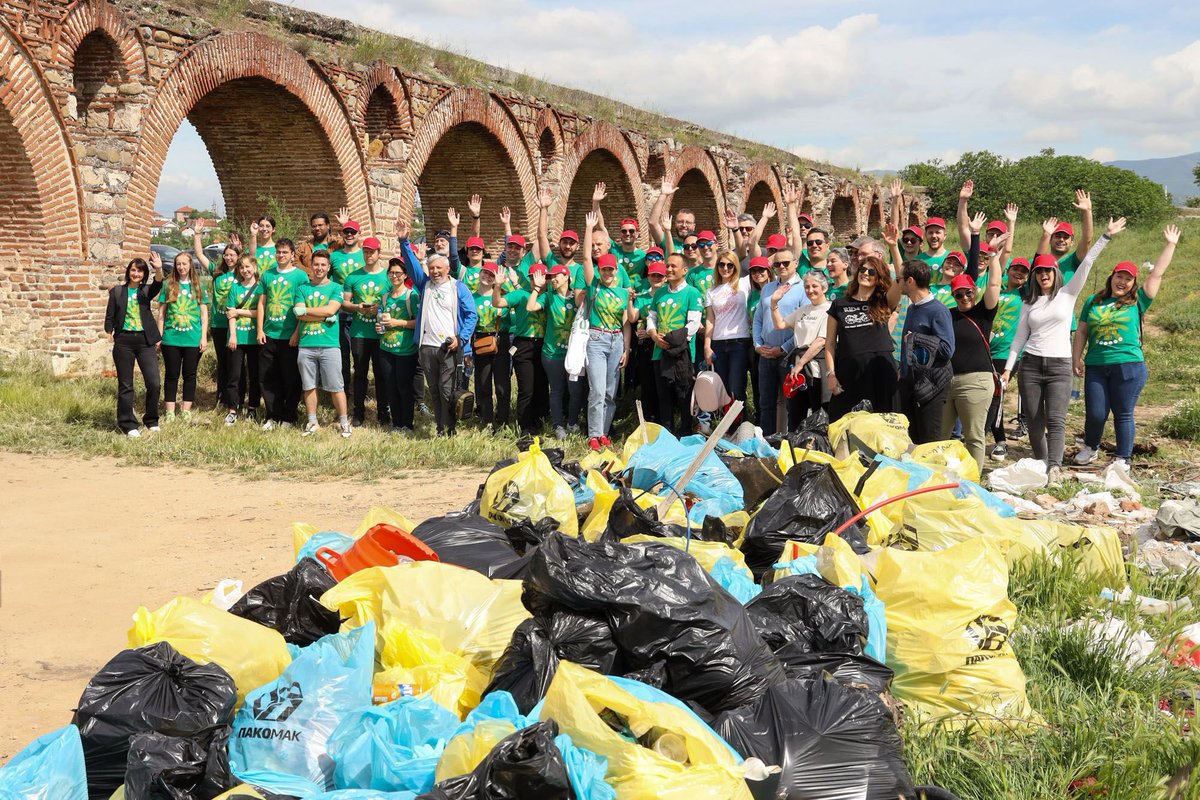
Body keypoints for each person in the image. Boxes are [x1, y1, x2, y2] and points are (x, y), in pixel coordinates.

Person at [1002, 215, 1126, 482]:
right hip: (1031, 365)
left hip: (1059, 365)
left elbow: (1088, 262)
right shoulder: (1029, 302)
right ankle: (1041, 463)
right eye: (1040, 272)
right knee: (1034, 420)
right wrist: (1008, 368)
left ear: (1056, 274)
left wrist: (1106, 236)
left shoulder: (1068, 293)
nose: (1044, 275)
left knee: (1056, 420)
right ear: (1035, 276)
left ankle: (1055, 467)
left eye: (1048, 271)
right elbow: (1019, 338)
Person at [1073, 225, 1179, 468]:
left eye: (1128, 278)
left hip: (1128, 365)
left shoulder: (1138, 300)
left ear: (1133, 283)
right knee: (1096, 413)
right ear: (1112, 277)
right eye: (1119, 276)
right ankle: (1091, 447)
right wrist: (1075, 358)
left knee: (1123, 413)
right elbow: (1082, 331)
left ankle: (1123, 457)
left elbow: (1158, 274)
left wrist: (1170, 244)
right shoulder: (1094, 301)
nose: (1122, 281)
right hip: (1097, 365)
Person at [398, 220, 478, 437]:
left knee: (446, 390)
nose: (434, 272)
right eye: (432, 268)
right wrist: (404, 241)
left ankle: (449, 428)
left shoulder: (458, 288)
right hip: (426, 347)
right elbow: (413, 265)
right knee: (433, 390)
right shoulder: (424, 285)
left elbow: (472, 315)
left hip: (449, 347)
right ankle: (441, 427)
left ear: (447, 269)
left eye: (438, 268)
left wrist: (460, 338)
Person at [943, 229, 1006, 469]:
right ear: (953, 296)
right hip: (948, 381)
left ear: (974, 292)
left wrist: (992, 254)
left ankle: (973, 483)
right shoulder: (948, 315)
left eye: (968, 292)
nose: (964, 298)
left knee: (973, 435)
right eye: (959, 295)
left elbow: (995, 282)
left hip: (976, 381)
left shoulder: (983, 312)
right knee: (940, 435)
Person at [825, 254, 903, 421]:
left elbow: (901, 277)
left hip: (881, 370)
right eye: (863, 269)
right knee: (844, 424)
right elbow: (830, 344)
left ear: (879, 278)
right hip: (849, 373)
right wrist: (831, 374)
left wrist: (894, 247)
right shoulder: (839, 304)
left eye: (872, 272)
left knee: (885, 424)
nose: (866, 273)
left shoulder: (884, 301)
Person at [581, 214, 634, 449]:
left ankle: (604, 432)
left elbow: (628, 321)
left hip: (616, 340)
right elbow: (585, 258)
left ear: (616, 270)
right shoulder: (595, 286)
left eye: (611, 270)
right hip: (597, 338)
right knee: (598, 390)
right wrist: (589, 229)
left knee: (611, 392)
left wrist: (627, 348)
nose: (608, 273)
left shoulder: (624, 292)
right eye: (604, 270)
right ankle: (593, 435)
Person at [290, 251, 351, 438]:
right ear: (311, 266)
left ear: (328, 267)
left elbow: (331, 308)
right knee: (308, 386)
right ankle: (312, 421)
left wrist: (306, 310)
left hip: (330, 345)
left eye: (323, 265)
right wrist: (323, 315)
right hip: (306, 344)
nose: (319, 268)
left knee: (336, 386)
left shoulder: (336, 287)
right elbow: (298, 315)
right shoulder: (302, 288)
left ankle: (344, 422)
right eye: (316, 264)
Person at [104, 253, 164, 436]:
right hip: (124, 342)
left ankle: (151, 420)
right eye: (133, 269)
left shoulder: (145, 291)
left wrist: (159, 268)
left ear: (144, 274)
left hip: (145, 341)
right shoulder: (117, 291)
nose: (136, 273)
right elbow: (110, 316)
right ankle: (128, 424)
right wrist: (109, 333)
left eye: (140, 271)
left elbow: (158, 283)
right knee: (126, 385)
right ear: (128, 271)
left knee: (154, 383)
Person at [896, 258, 955, 443]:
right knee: (911, 442)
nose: (898, 283)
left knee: (929, 442)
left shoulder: (938, 311)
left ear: (910, 281)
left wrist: (916, 339)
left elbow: (947, 350)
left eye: (900, 279)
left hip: (932, 387)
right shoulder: (913, 308)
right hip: (910, 384)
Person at [646, 252, 703, 435]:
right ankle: (667, 434)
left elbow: (693, 324)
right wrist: (654, 336)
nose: (668, 269)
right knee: (663, 397)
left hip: (682, 354)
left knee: (683, 396)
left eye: (673, 266)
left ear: (685, 270)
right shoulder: (660, 292)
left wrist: (673, 341)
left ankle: (685, 433)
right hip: (659, 352)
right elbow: (651, 318)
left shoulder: (692, 293)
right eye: (667, 266)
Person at [753, 249, 808, 436]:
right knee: (765, 403)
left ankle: (792, 442)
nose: (781, 267)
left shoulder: (803, 289)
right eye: (777, 264)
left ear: (796, 263)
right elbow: (758, 318)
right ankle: (767, 441)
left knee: (792, 403)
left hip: (790, 354)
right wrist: (757, 344)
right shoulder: (768, 288)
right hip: (766, 353)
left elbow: (805, 325)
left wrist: (783, 349)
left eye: (786, 263)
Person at [256, 238, 308, 430]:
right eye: (278, 252)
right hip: (269, 333)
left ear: (292, 255)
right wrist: (260, 329)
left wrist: (297, 333)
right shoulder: (267, 275)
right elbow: (261, 303)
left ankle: (289, 415)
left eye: (285, 252)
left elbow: (303, 308)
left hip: (290, 336)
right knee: (268, 377)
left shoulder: (300, 277)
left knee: (291, 378)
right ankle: (272, 414)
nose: (281, 255)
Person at [528, 263, 583, 438]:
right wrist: (537, 288)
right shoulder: (548, 297)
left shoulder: (577, 298)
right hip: (552, 354)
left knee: (575, 392)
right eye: (550, 277)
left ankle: (572, 422)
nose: (552, 279)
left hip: (574, 354)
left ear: (567, 276)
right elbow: (530, 307)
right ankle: (558, 425)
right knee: (557, 390)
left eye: (556, 276)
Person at [771, 269, 832, 425]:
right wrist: (774, 303)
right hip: (797, 368)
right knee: (796, 411)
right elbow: (780, 324)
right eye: (807, 287)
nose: (810, 290)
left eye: (814, 286)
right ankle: (794, 444)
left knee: (819, 410)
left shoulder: (830, 310)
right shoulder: (803, 310)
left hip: (816, 366)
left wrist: (800, 364)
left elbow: (820, 341)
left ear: (824, 288)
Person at [493, 261, 548, 434]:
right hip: (523, 344)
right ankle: (524, 425)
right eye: (532, 278)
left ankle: (540, 421)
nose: (536, 281)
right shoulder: (520, 294)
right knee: (526, 388)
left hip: (543, 345)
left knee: (541, 386)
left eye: (541, 278)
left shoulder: (550, 296)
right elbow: (498, 303)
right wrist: (498, 286)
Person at [342, 236, 391, 427]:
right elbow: (345, 303)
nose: (368, 255)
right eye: (365, 251)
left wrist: (379, 309)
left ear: (379, 253)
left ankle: (383, 412)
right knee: (360, 373)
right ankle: (358, 413)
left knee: (381, 374)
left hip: (380, 333)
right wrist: (357, 307)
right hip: (359, 332)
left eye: (372, 252)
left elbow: (393, 303)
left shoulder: (387, 277)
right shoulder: (353, 276)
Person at [986, 256, 1031, 461]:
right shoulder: (996, 289)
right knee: (984, 396)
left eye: (1024, 271)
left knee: (997, 396)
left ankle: (999, 441)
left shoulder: (1025, 294)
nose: (1019, 273)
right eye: (1016, 269)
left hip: (1007, 354)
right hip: (985, 351)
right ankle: (980, 436)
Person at [194, 230, 242, 417]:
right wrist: (197, 235)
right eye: (227, 255)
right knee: (223, 363)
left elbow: (251, 259)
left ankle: (236, 398)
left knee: (236, 365)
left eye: (233, 255)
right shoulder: (216, 270)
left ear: (238, 257)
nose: (229, 258)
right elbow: (199, 254)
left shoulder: (241, 272)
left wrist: (240, 247)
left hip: (238, 325)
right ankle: (221, 398)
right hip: (219, 324)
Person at [156, 251, 209, 422]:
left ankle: (186, 409)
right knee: (171, 374)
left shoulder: (198, 285)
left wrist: (203, 337)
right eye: (178, 264)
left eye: (184, 264)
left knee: (190, 374)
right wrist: (160, 335)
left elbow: (204, 315)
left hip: (193, 339)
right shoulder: (168, 284)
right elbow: (161, 314)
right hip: (171, 338)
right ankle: (170, 411)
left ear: (190, 265)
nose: (181, 267)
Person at [703, 250, 752, 407]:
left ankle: (740, 425)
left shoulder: (744, 283)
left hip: (739, 341)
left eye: (730, 265)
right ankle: (728, 428)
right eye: (722, 264)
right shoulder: (711, 291)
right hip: (718, 342)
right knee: (723, 387)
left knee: (736, 386)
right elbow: (710, 319)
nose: (725, 268)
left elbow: (755, 251)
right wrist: (707, 346)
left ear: (735, 266)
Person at [378, 256, 419, 434]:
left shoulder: (412, 296)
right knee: (391, 386)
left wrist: (397, 323)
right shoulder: (385, 297)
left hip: (406, 349)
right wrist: (379, 327)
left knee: (404, 386)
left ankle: (407, 424)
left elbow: (418, 322)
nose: (394, 276)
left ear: (405, 275)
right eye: (391, 273)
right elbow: (381, 320)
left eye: (397, 273)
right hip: (386, 348)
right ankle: (396, 424)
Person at [470, 261, 511, 432]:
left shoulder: (503, 295)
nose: (487, 277)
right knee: (483, 383)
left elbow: (512, 320)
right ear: (480, 274)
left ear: (496, 279)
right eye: (485, 273)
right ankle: (487, 420)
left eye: (491, 275)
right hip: (480, 342)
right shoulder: (471, 297)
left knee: (502, 384)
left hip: (500, 341)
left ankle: (503, 421)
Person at [223, 254, 263, 426]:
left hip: (254, 337)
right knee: (234, 375)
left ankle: (253, 407)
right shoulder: (235, 288)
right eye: (242, 267)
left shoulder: (261, 288)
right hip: (237, 338)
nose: (245, 270)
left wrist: (240, 312)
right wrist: (232, 335)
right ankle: (233, 409)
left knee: (255, 375)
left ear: (254, 267)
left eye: (248, 266)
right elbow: (230, 313)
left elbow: (261, 312)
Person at [630, 250, 667, 424]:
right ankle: (647, 420)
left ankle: (663, 418)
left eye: (660, 276)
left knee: (663, 383)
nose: (656, 279)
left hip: (662, 342)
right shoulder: (643, 296)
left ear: (665, 278)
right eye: (653, 275)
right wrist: (630, 301)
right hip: (646, 345)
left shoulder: (668, 295)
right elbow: (632, 318)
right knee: (647, 383)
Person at [330, 215, 365, 389]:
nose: (349, 234)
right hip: (340, 311)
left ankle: (360, 389)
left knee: (360, 354)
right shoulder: (334, 256)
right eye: (346, 232)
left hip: (361, 311)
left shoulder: (365, 254)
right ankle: (344, 389)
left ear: (359, 234)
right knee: (342, 353)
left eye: (353, 232)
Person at [1035, 189, 1095, 280]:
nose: (1061, 239)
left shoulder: (1074, 261)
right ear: (1050, 240)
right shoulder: (1040, 261)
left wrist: (1087, 212)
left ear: (1072, 242)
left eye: (1066, 237)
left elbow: (1087, 240)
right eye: (1058, 236)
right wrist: (1046, 235)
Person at [745, 257, 773, 420]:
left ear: (769, 271)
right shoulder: (753, 295)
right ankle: (759, 417)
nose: (757, 274)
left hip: (771, 343)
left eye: (761, 270)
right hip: (755, 344)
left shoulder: (776, 290)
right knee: (756, 383)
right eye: (754, 271)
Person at [649, 180, 695, 253]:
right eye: (680, 222)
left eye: (688, 222)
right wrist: (663, 195)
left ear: (693, 226)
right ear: (675, 224)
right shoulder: (667, 241)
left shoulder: (699, 246)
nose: (684, 225)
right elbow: (652, 223)